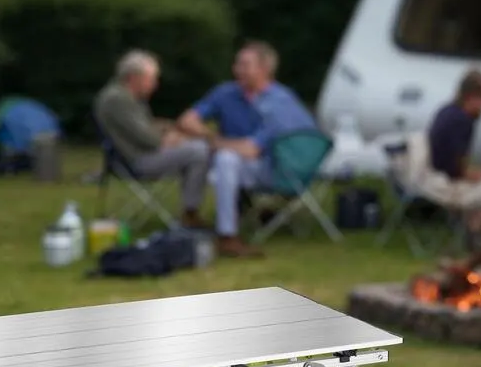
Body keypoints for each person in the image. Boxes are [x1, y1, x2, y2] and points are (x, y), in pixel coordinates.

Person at [177, 41, 317, 258]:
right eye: (237, 64)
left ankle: (227, 235)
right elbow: (187, 120)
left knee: (224, 158)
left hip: (274, 169)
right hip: (237, 165)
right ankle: (213, 226)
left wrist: (216, 143)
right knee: (216, 156)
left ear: (264, 69)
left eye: (244, 65)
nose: (236, 69)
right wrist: (211, 136)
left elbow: (252, 149)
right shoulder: (226, 93)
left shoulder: (280, 101)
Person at [94, 50, 210, 229]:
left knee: (198, 147)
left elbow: (148, 126)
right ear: (134, 78)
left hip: (140, 155)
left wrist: (169, 130)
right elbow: (150, 139)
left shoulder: (129, 98)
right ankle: (190, 212)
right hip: (137, 161)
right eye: (151, 78)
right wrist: (172, 137)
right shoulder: (117, 100)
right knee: (199, 151)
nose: (155, 84)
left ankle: (194, 209)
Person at [422, 69, 481, 249]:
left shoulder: (446, 111)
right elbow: (455, 163)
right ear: (471, 98)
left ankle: (468, 231)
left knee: (480, 184)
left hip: (429, 175)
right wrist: (470, 174)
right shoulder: (463, 121)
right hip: (444, 182)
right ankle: (473, 235)